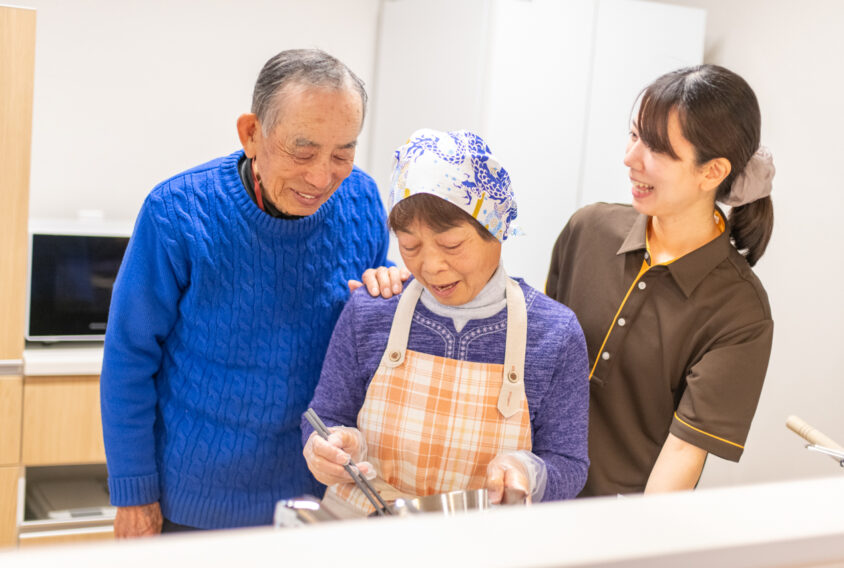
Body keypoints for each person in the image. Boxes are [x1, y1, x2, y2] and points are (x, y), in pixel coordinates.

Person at [100, 49, 392, 536]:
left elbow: (360, 327)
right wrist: (134, 492)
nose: (322, 177)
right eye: (303, 151)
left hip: (319, 502)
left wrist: (389, 284)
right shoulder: (177, 212)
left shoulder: (361, 199)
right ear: (251, 134)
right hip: (195, 503)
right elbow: (129, 358)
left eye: (342, 152)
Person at [302, 129, 589, 516]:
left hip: (478, 545)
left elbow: (569, 462)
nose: (431, 266)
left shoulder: (553, 333)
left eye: (451, 245)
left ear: (496, 230)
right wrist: (331, 447)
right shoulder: (371, 311)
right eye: (410, 246)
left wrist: (527, 472)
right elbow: (325, 417)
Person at [546, 64, 775, 496]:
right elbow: (531, 366)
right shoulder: (588, 230)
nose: (630, 159)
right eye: (634, 136)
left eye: (656, 148)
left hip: (623, 533)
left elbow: (683, 454)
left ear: (712, 172)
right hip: (530, 501)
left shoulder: (740, 311)